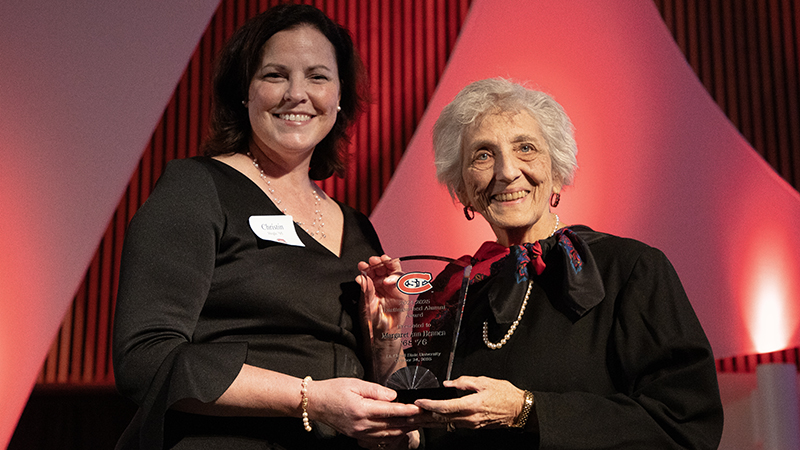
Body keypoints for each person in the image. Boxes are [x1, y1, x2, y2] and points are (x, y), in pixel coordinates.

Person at [112, 4, 423, 449]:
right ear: (245, 93)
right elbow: (145, 359)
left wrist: (388, 333)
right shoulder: (197, 188)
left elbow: (372, 382)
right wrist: (309, 398)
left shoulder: (358, 228)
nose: (297, 94)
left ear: (340, 97)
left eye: (317, 77)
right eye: (275, 75)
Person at [360, 78, 724, 449]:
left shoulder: (630, 270)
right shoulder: (450, 294)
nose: (507, 171)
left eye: (526, 148)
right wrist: (386, 342)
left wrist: (527, 410)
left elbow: (685, 426)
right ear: (463, 190)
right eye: (483, 155)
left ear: (557, 172)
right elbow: (426, 433)